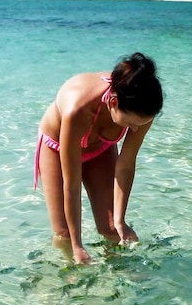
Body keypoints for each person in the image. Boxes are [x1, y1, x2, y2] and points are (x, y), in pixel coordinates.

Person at [35, 52, 164, 264]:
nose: (134, 129)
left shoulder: (143, 109)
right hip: (56, 149)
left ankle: (114, 282)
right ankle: (66, 282)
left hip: (100, 149)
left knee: (112, 229)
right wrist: (78, 246)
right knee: (64, 234)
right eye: (130, 123)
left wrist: (121, 221)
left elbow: (126, 165)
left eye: (140, 124)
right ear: (113, 102)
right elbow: (72, 184)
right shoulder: (78, 110)